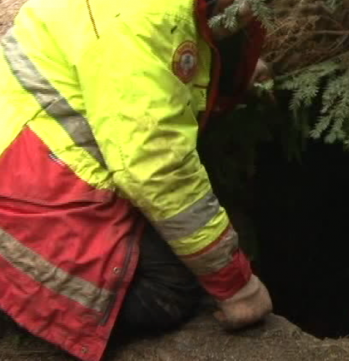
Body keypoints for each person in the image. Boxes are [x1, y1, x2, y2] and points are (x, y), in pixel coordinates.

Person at [0, 0, 274, 360]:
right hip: (27, 180)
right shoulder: (143, 23)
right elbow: (157, 168)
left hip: (30, 141)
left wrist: (235, 69)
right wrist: (236, 286)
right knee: (171, 288)